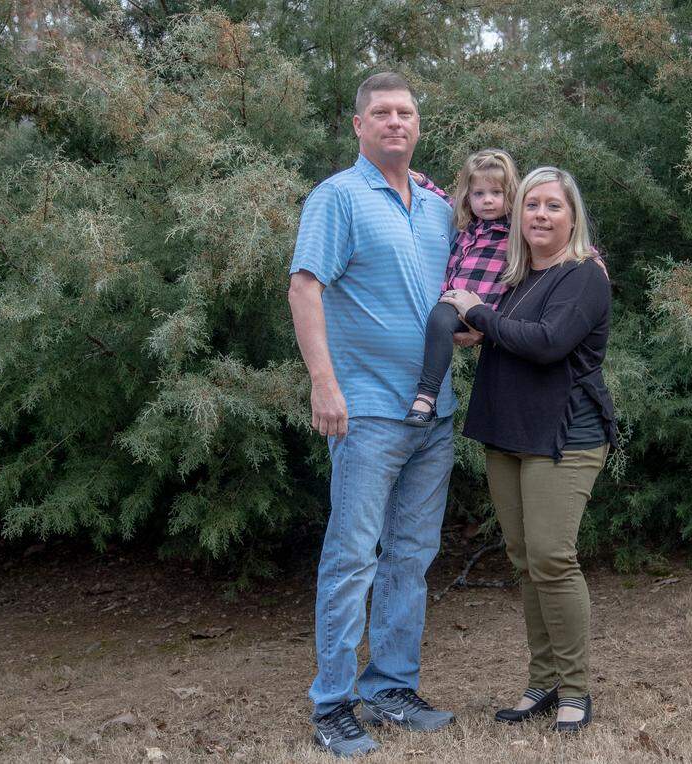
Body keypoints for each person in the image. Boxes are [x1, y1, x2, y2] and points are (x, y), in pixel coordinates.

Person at [287, 72, 458, 758]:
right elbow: (305, 289)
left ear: (418, 125)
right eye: (381, 112)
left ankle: (390, 684)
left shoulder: (439, 205)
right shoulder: (337, 198)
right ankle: (332, 703)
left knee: (411, 558)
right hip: (366, 415)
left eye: (406, 112)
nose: (395, 122)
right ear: (357, 125)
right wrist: (323, 383)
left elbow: (450, 300)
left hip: (434, 413)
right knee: (353, 558)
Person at [439, 167, 617, 733]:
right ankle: (542, 683)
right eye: (532, 205)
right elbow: (493, 332)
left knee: (552, 559)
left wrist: (478, 313)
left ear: (573, 218)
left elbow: (547, 344)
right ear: (517, 214)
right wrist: (475, 324)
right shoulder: (512, 278)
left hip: (564, 437)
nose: (540, 214)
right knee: (524, 562)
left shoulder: (584, 276)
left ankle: (575, 689)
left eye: (553, 206)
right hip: (507, 433)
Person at [403, 149, 520, 426]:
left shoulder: (517, 228)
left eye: (496, 193)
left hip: (484, 309)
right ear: (469, 196)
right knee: (439, 317)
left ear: (511, 194)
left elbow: (556, 236)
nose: (487, 200)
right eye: (479, 194)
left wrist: (588, 254)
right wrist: (422, 182)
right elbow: (444, 199)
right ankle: (427, 397)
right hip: (452, 304)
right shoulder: (466, 223)